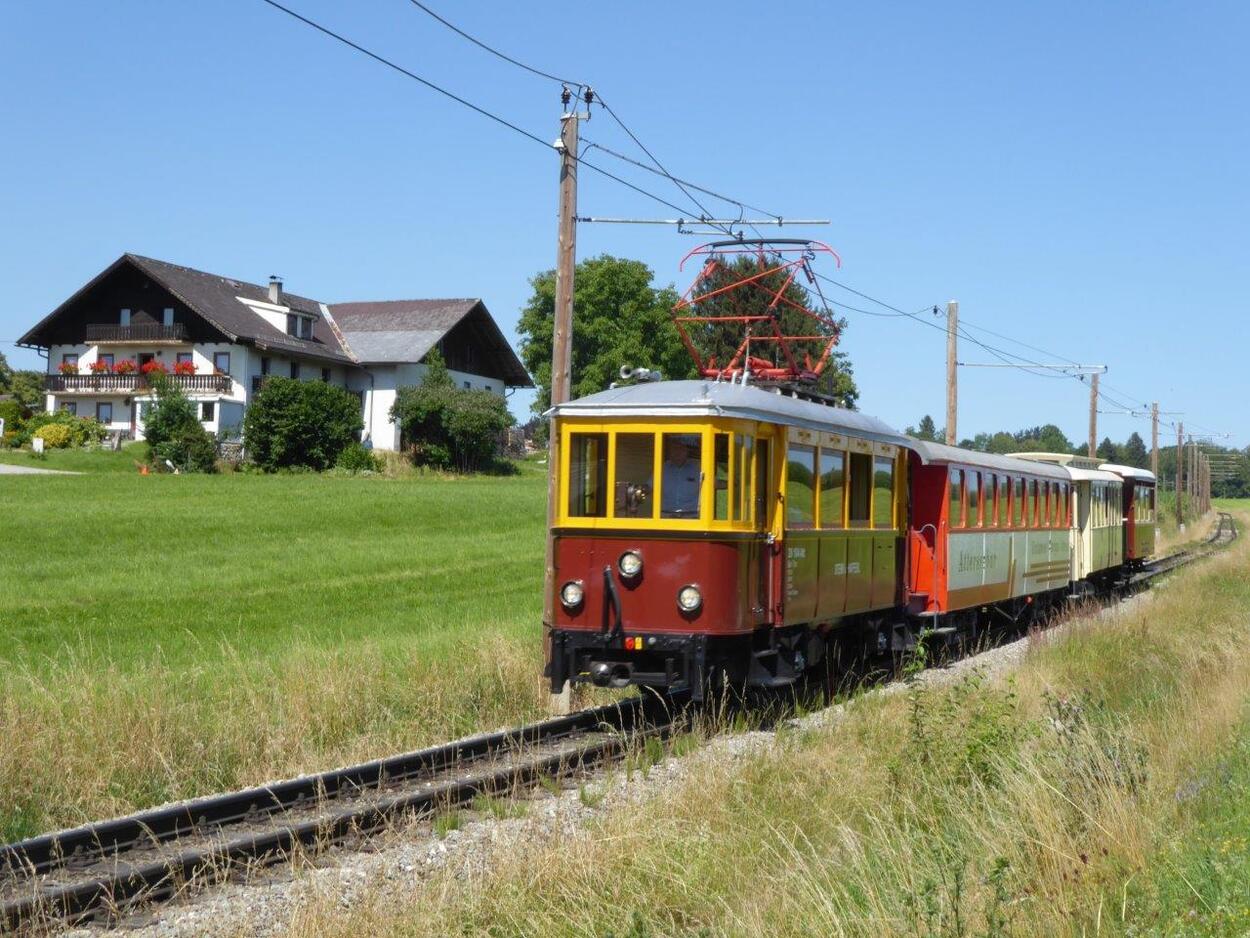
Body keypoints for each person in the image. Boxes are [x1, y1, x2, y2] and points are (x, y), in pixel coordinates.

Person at [661, 435, 701, 517]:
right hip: (666, 518)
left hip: (691, 518)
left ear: (687, 451)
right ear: (670, 452)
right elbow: (649, 486)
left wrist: (730, 484)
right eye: (675, 449)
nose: (678, 452)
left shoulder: (697, 468)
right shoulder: (663, 468)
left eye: (681, 449)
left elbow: (713, 483)